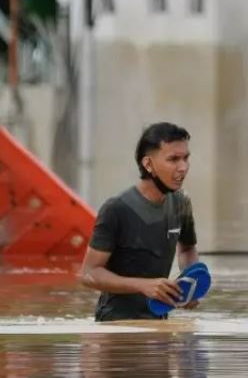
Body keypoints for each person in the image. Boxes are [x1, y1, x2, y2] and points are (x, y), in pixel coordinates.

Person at [79, 122, 200, 322]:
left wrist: (191, 282)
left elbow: (187, 249)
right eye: (173, 159)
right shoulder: (116, 209)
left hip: (160, 322)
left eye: (186, 158)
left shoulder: (181, 203)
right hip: (116, 326)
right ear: (148, 164)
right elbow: (89, 274)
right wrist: (143, 285)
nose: (183, 167)